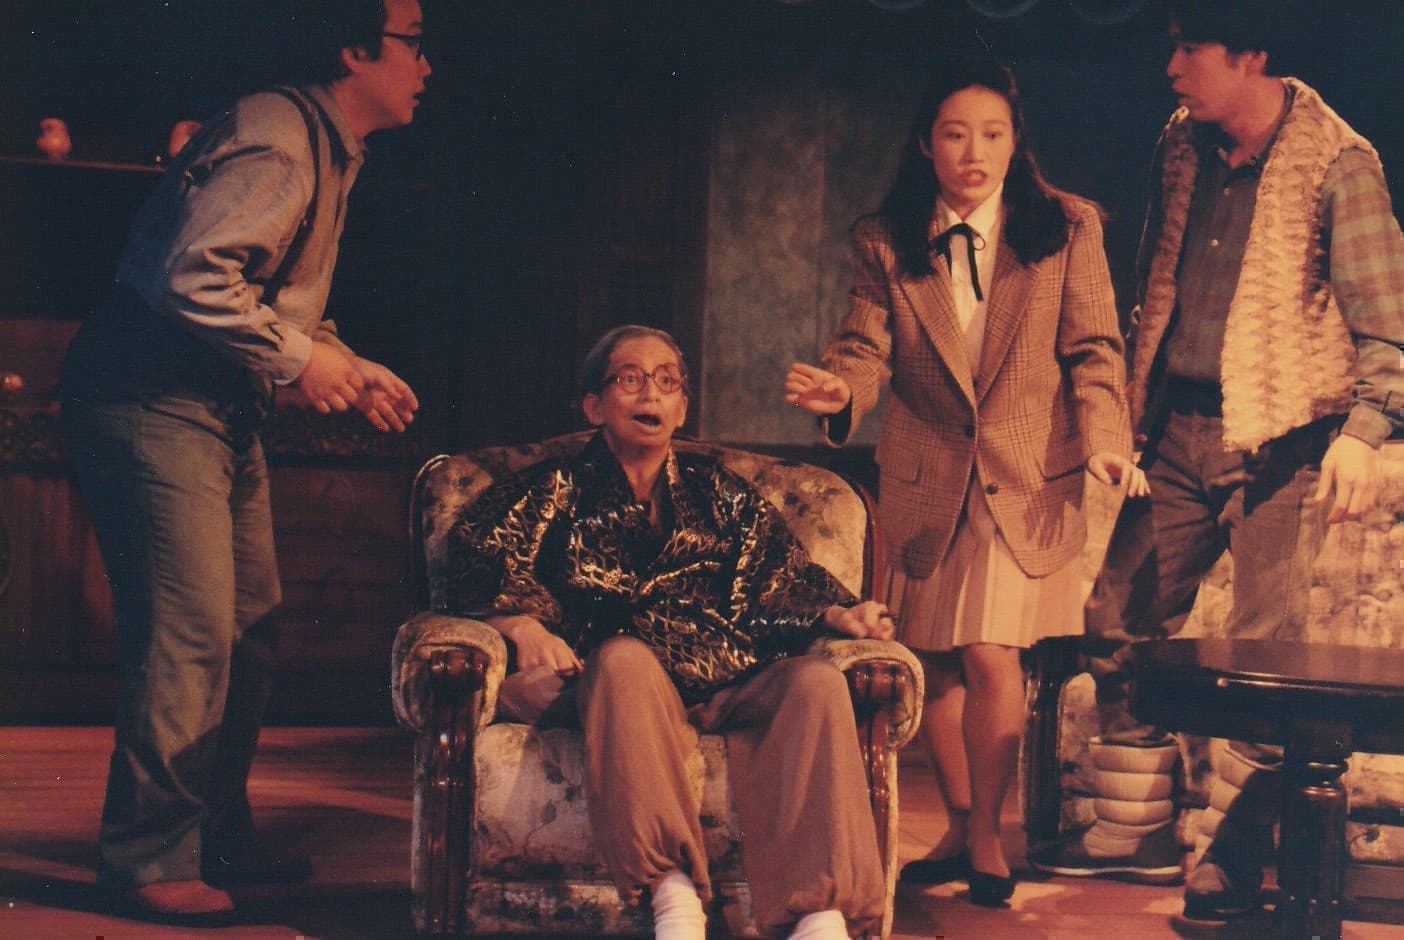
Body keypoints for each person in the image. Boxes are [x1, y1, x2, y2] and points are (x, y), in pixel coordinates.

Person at [1031, 0, 1404, 921]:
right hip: (1179, 429)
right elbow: (1157, 288)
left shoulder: (1338, 164)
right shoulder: (1182, 143)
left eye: (1190, 47)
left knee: (1263, 658)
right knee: (1118, 617)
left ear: (1251, 54)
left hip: (1282, 443)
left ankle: (1231, 857)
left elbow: (1389, 329)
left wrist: (1365, 431)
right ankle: (1137, 833)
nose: (1173, 66)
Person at [59, 0, 430, 923]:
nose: (427, 66)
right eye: (414, 43)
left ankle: (213, 837)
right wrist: (303, 362)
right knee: (190, 632)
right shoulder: (281, 138)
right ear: (355, 49)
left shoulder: (325, 147)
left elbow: (267, 293)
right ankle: (148, 857)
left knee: (248, 626)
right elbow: (191, 277)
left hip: (216, 405)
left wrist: (340, 360)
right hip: (150, 396)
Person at [785, 57, 1143, 908]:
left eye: (992, 134)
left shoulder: (1066, 227)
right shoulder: (887, 238)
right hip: (928, 474)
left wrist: (1106, 440)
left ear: (1016, 143)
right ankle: (955, 824)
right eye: (955, 134)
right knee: (935, 664)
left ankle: (987, 832)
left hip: (1029, 476)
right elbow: (863, 346)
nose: (974, 152)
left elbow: (1095, 350)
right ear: (926, 143)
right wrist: (842, 393)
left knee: (991, 653)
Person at [445, 325, 893, 940]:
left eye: (666, 380)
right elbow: (472, 568)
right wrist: (519, 625)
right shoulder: (547, 490)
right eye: (629, 378)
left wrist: (841, 616)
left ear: (682, 407)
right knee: (623, 659)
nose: (649, 393)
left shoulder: (720, 491)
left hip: (723, 674)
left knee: (815, 681)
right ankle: (673, 899)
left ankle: (819, 915)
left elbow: (776, 574)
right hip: (614, 685)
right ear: (594, 405)